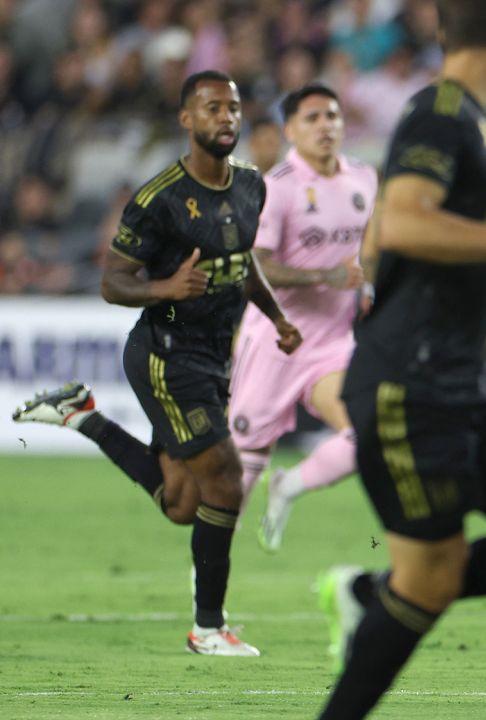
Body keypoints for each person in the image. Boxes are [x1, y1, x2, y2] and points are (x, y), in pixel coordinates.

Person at [314, 2, 486, 717]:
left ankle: (371, 595)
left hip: (467, 379)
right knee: (431, 581)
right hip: (412, 381)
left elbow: (383, 233)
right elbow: (405, 219)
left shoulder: (466, 119)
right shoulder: (440, 112)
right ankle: (374, 621)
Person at [12, 70, 301, 656]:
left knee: (182, 504)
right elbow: (112, 281)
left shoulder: (251, 185)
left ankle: (84, 417)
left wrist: (275, 317)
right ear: (187, 120)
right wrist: (166, 286)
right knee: (225, 479)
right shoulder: (158, 199)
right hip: (167, 357)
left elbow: (243, 265)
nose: (226, 118)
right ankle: (209, 628)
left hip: (216, 357)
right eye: (212, 108)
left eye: (234, 108)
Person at [228, 83, 377, 552]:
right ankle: (208, 586)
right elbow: (257, 266)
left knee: (367, 432)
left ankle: (289, 485)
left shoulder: (365, 179)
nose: (325, 125)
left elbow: (370, 248)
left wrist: (369, 283)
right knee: (241, 470)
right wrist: (326, 275)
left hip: (331, 344)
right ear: (290, 130)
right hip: (276, 340)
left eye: (331, 115)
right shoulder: (277, 187)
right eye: (312, 118)